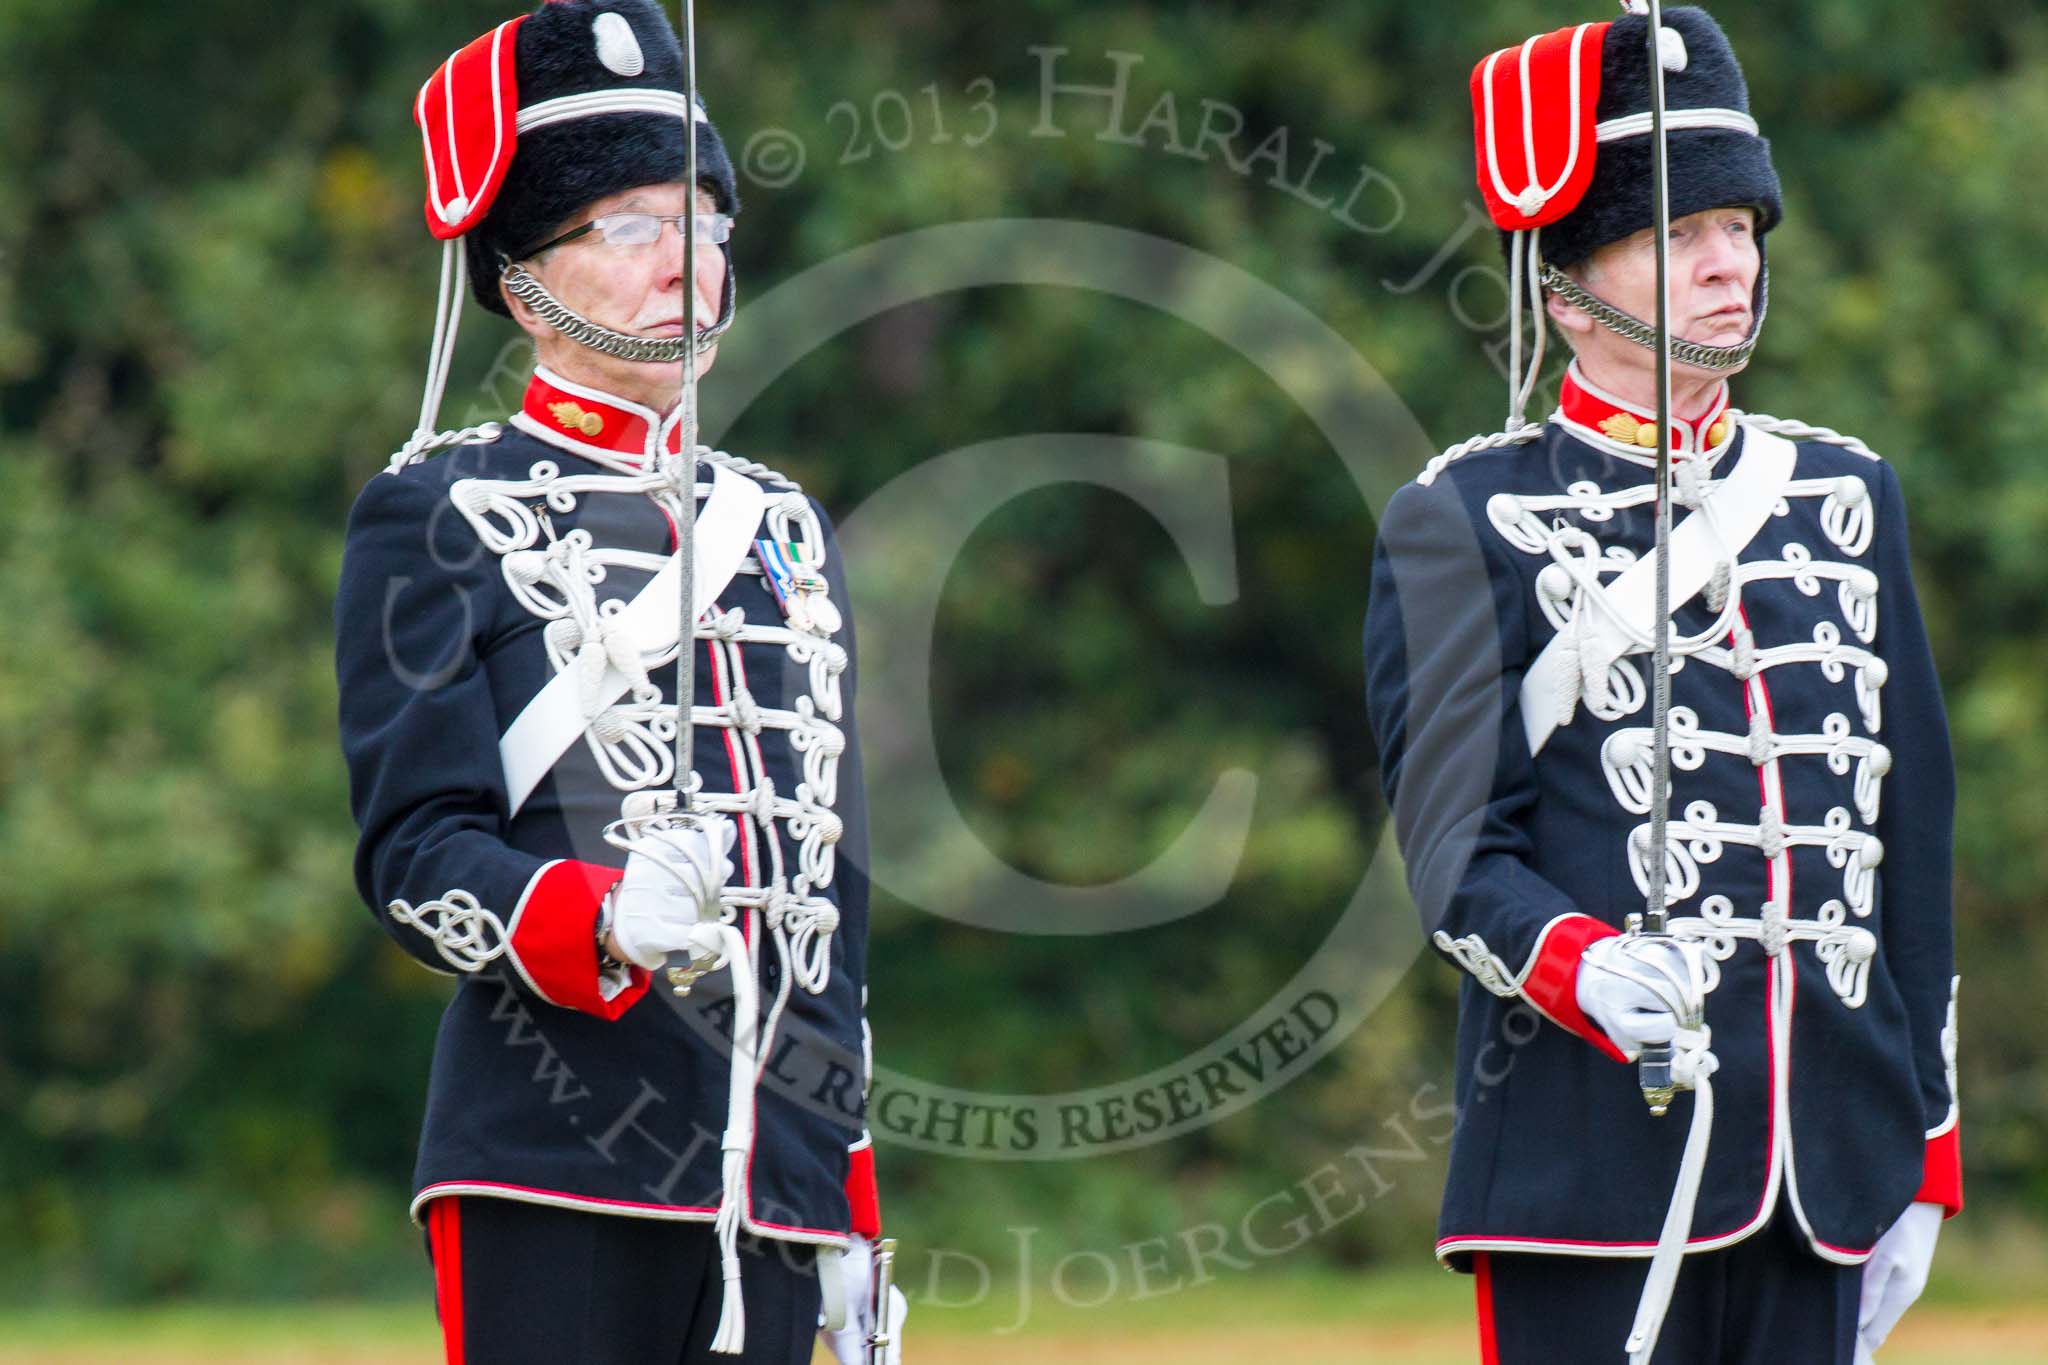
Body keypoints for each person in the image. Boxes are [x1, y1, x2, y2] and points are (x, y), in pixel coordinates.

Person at [1362, 7, 1959, 1362]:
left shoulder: (1846, 493)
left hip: (1826, 1170)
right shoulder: (1461, 512)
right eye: (1680, 235)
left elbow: (1906, 853)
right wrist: (1583, 964)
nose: (1728, 264)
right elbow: (1454, 849)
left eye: (1742, 231)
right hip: (1592, 1166)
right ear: (1566, 292)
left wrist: (1926, 1145)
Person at [333, 2, 903, 1360]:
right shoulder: (437, 509)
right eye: (638, 228)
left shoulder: (780, 526)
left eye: (706, 225)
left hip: (770, 1182)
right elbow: (413, 852)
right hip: (548, 1155)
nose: (690, 266)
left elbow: (829, 904)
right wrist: (596, 919)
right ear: (522, 274)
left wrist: (849, 1196)